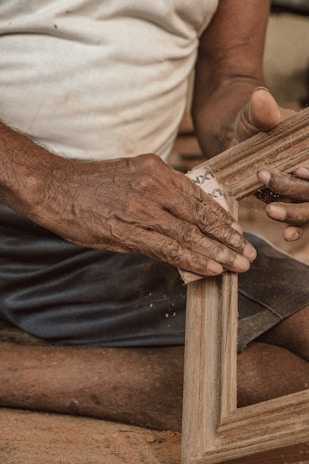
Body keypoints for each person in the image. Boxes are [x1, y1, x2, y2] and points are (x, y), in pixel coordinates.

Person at [0, 0, 308, 431]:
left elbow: (230, 74)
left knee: (278, 389)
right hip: (20, 209)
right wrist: (48, 183)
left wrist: (249, 142)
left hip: (131, 226)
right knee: (248, 389)